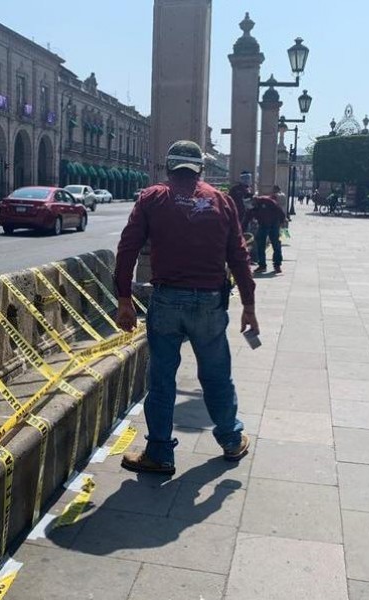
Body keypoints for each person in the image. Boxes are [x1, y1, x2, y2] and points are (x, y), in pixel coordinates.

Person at [114, 140, 258, 474]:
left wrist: (124, 299)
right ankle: (231, 440)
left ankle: (160, 453)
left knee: (162, 378)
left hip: (166, 300)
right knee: (216, 374)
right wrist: (249, 305)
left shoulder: (152, 198)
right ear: (201, 170)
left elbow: (127, 248)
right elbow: (239, 257)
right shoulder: (221, 201)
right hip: (210, 302)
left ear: (168, 167)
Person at [247, 195, 286, 274]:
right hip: (263, 225)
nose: (250, 204)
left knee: (276, 244)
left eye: (250, 202)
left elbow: (278, 209)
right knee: (260, 244)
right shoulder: (252, 209)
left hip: (274, 224)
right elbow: (247, 218)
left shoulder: (266, 200)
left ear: (253, 199)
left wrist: (282, 220)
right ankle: (262, 265)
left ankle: (277, 265)